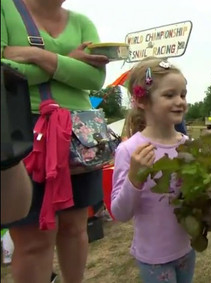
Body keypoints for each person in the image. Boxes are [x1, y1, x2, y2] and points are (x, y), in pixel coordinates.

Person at [0, 0, 109, 282]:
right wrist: (68, 62)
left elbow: (94, 78)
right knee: (34, 239)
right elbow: (3, 73)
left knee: (75, 228)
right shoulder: (4, 8)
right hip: (23, 135)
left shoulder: (83, 21)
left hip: (79, 137)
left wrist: (38, 57)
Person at [111, 57, 196, 283]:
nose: (180, 101)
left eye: (183, 94)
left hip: (186, 249)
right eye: (169, 95)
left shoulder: (189, 145)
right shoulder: (129, 151)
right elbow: (120, 213)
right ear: (142, 100)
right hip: (154, 257)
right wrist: (135, 178)